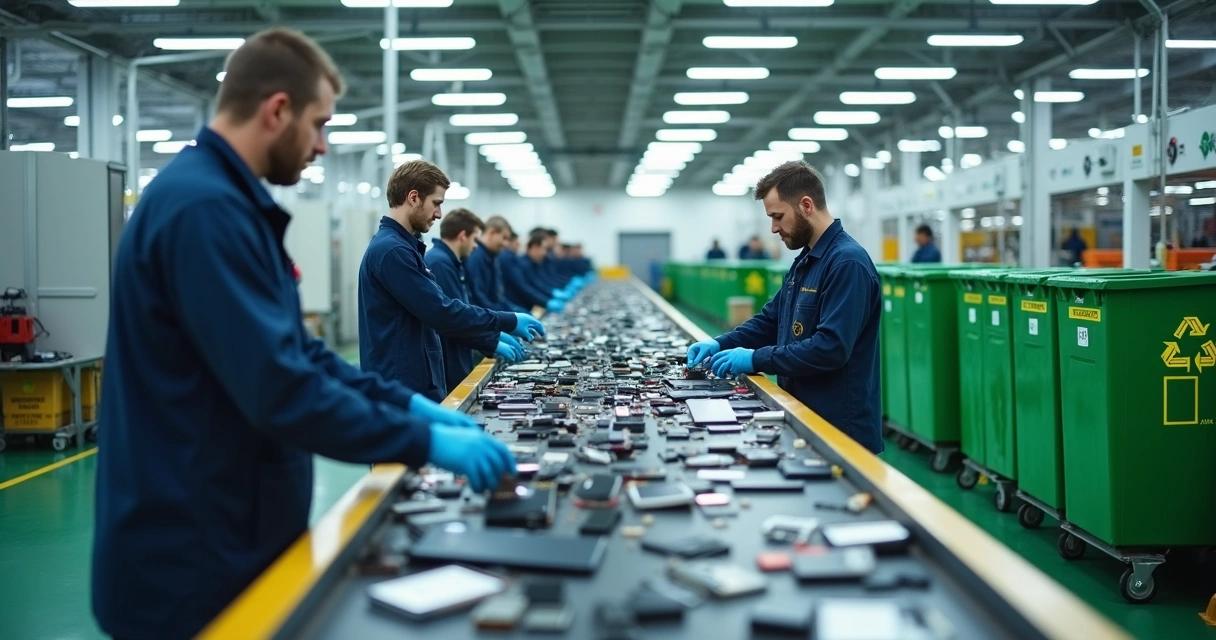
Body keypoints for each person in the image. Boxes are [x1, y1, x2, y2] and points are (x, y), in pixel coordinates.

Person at [91, 29, 516, 640]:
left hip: (220, 531)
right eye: (319, 124)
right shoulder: (203, 211)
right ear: (277, 110)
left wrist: (407, 404)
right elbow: (280, 387)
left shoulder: (226, 204)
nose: (322, 145)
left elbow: (299, 352)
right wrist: (420, 438)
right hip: (189, 553)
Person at [687, 161, 883, 454]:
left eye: (778, 216)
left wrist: (756, 359)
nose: (774, 228)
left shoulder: (847, 263)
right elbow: (770, 321)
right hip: (804, 416)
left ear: (806, 205)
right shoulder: (806, 261)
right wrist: (719, 343)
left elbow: (830, 348)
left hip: (839, 430)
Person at [358, 159, 544, 402]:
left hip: (412, 383)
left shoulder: (404, 248)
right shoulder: (393, 251)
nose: (439, 213)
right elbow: (441, 311)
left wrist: (493, 334)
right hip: (402, 389)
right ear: (413, 197)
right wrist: (505, 321)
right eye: (436, 203)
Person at [424, 208, 526, 392]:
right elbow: (453, 318)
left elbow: (466, 308)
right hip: (449, 356)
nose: (476, 245)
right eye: (474, 239)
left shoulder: (452, 262)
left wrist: (495, 332)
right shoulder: (439, 263)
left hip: (462, 350)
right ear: (463, 236)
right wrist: (492, 339)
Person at [466, 215, 529, 314]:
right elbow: (479, 300)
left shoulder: (491, 257)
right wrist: (504, 319)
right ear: (491, 232)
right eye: (504, 238)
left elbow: (497, 296)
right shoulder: (476, 257)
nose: (505, 244)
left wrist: (515, 312)